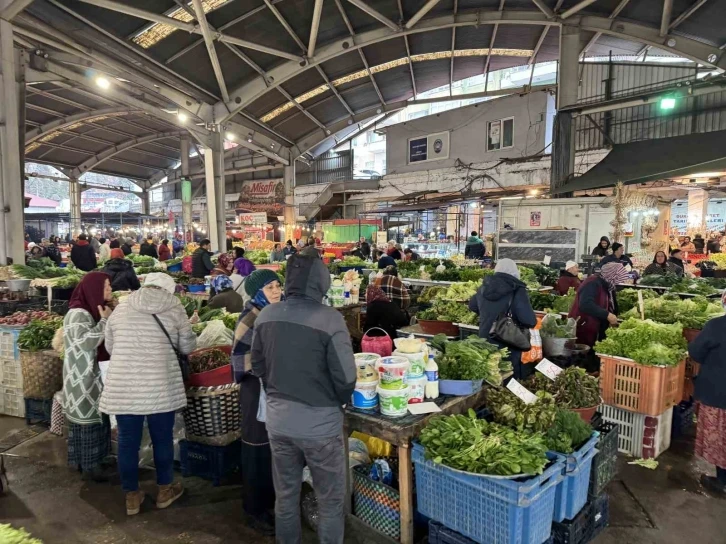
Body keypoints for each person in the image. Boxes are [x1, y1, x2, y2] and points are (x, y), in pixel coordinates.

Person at [251, 254, 356, 543]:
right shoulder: (330, 318)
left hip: (278, 423)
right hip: (320, 426)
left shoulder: (266, 315)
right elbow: (346, 379)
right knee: (329, 502)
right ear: (322, 282)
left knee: (285, 497)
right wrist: (339, 400)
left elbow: (257, 366)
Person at [100, 273, 196, 516]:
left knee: (127, 442)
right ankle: (165, 490)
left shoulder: (122, 308)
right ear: (168, 289)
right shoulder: (174, 307)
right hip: (159, 384)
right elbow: (187, 347)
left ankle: (132, 497)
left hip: (125, 386)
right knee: (162, 439)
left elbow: (110, 347)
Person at [231, 269, 283, 534]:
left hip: (273, 390)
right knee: (256, 449)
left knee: (272, 449)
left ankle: (271, 503)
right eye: (269, 288)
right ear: (256, 293)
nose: (275, 291)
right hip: (255, 390)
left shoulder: (275, 314)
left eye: (277, 285)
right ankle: (255, 510)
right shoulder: (251, 316)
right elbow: (240, 358)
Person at [62, 272, 114, 482]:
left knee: (96, 419)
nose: (110, 290)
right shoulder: (78, 314)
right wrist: (104, 322)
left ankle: (96, 459)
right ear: (94, 289)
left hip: (90, 375)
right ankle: (89, 466)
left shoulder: (90, 309)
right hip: (81, 378)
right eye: (107, 286)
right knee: (87, 423)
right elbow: (85, 343)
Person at [469, 259, 537, 379]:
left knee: (488, 377)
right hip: (508, 342)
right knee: (508, 378)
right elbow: (529, 320)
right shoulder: (517, 290)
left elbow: (472, 305)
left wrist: (489, 315)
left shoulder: (484, 287)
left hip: (485, 341)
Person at [687, 291, 726, 496]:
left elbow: (696, 352)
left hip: (719, 393)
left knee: (720, 437)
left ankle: (722, 481)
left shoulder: (717, 326)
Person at [568, 262, 630, 348]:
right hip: (585, 327)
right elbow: (586, 304)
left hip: (596, 328)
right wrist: (607, 315)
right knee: (586, 356)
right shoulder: (592, 283)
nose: (619, 281)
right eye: (618, 277)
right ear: (612, 275)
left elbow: (610, 303)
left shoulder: (608, 284)